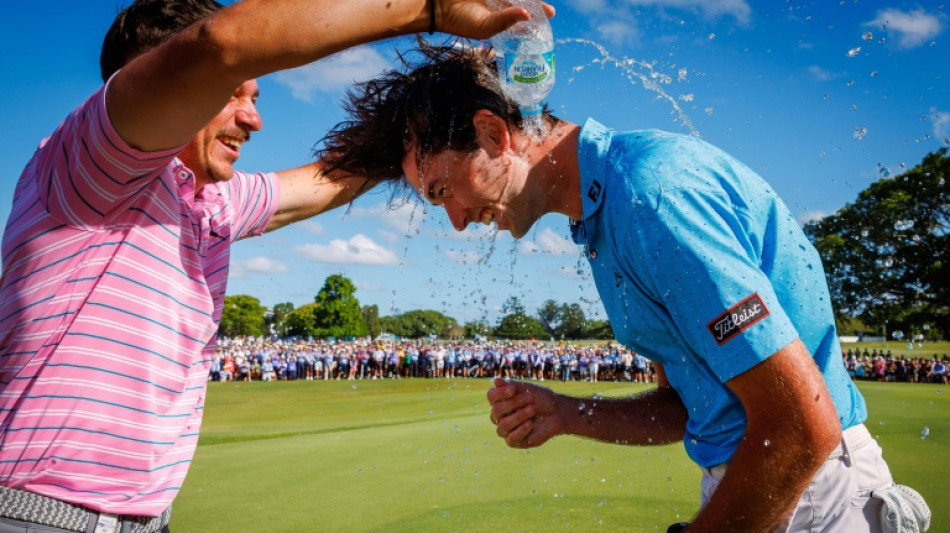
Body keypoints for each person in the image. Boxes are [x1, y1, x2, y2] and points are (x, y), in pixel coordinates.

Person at [317, 42, 932, 532]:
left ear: (492, 133)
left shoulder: (650, 198)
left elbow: (802, 425)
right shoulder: (604, 214)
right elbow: (689, 409)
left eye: (442, 190)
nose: (453, 220)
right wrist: (563, 413)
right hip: (771, 480)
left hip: (814, 492)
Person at [0, 2, 553, 531]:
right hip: (34, 514)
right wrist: (430, 9)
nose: (254, 119)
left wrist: (437, 108)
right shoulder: (89, 162)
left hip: (145, 519)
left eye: (255, 95)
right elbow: (220, 43)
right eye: (231, 93)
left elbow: (334, 178)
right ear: (161, 82)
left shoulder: (213, 201)